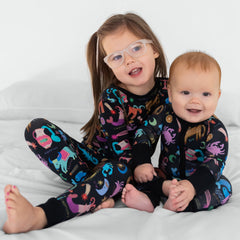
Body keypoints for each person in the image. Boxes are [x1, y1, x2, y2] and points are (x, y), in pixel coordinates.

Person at [3, 12, 169, 233]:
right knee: (36, 129)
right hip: (97, 161)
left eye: (136, 48)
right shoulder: (112, 99)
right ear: (110, 66)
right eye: (117, 57)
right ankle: (57, 208)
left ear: (155, 49)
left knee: (118, 170)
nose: (129, 59)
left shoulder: (171, 91)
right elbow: (124, 154)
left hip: (125, 168)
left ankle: (62, 207)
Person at [122, 51, 232, 213]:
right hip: (166, 177)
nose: (195, 101)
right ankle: (147, 199)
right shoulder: (164, 114)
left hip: (197, 181)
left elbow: (214, 164)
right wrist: (143, 162)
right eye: (186, 93)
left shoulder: (216, 130)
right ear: (171, 93)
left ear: (217, 96)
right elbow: (144, 134)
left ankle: (184, 204)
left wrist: (192, 186)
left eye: (206, 94)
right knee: (141, 175)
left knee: (224, 187)